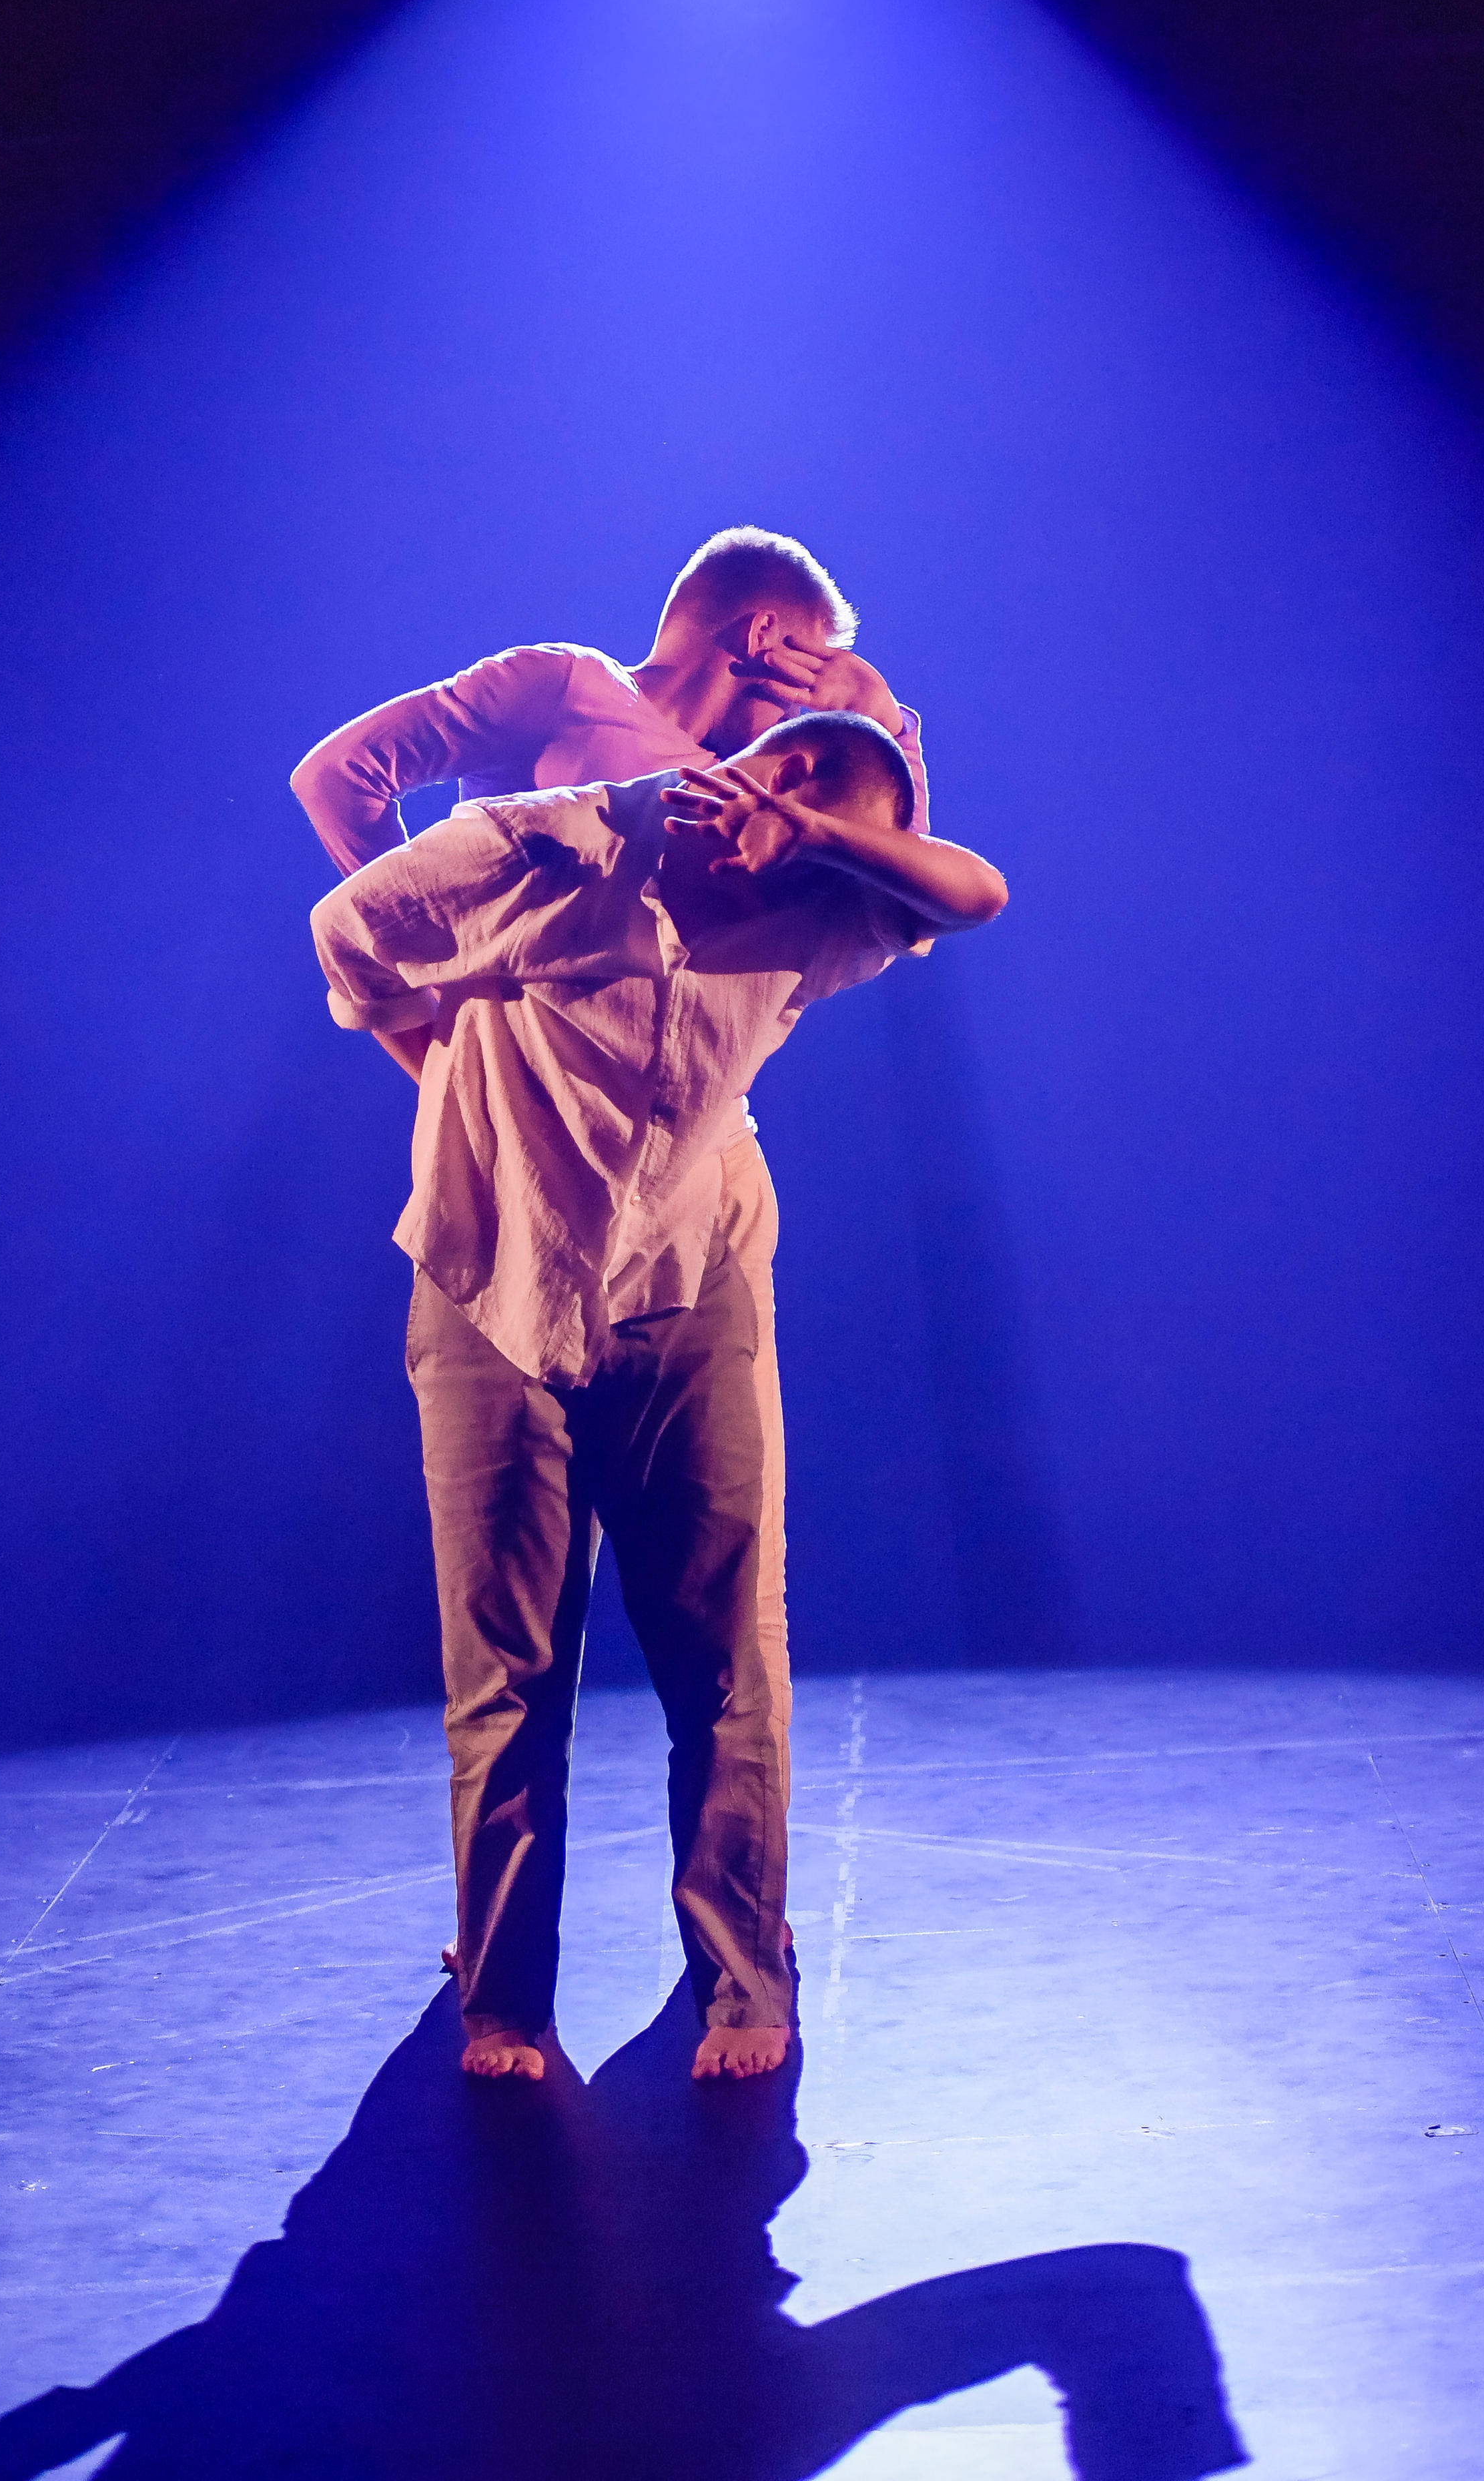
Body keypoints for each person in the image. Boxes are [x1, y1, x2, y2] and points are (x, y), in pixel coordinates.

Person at [309, 710, 1008, 2082]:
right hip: (488, 1282)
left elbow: (975, 892)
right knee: (504, 1671)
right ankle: (504, 2003)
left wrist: (815, 840)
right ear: (777, 769)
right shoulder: (540, 848)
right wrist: (454, 1080)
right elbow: (348, 936)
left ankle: (744, 1980)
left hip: (693, 1282)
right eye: (806, 831)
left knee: (729, 1654)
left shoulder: (827, 904)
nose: (805, 897)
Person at [290, 528, 930, 1822]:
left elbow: (916, 888)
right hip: (531, 1161)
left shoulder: (780, 784)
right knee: (515, 1605)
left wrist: (887, 720)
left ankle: (745, 1903)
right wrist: (446, 1003)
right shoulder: (567, 690)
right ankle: (504, 1927)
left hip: (698, 1171)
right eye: (821, 659)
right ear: (762, 636)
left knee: (722, 1602)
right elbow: (342, 773)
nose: (826, 687)